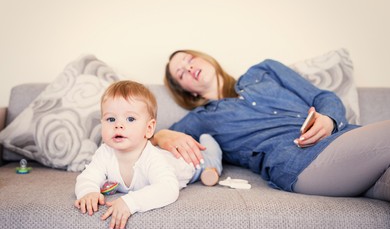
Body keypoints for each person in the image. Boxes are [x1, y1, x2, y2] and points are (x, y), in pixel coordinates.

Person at [151, 49, 390, 202]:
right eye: (181, 73)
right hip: (298, 163)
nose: (189, 68)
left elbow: (323, 97)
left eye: (189, 60)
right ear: (187, 92)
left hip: (345, 142)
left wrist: (328, 119)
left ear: (205, 58)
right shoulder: (202, 117)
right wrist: (163, 135)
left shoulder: (265, 70)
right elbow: (149, 138)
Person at [74, 80, 222, 229]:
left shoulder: (152, 158)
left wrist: (130, 202)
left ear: (149, 128)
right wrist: (88, 191)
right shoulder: (104, 153)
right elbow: (88, 176)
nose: (118, 125)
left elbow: (168, 189)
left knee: (209, 159)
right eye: (111, 119)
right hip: (163, 152)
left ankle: (210, 142)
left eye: (130, 119)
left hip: (186, 162)